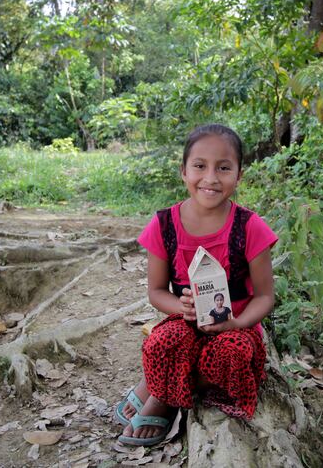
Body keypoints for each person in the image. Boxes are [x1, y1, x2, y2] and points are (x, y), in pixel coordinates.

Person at [115, 123, 277, 446]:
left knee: (233, 355)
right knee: (163, 342)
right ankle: (163, 390)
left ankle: (160, 391)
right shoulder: (164, 225)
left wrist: (238, 321)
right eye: (200, 166)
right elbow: (157, 291)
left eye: (224, 168)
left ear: (239, 175)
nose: (211, 178)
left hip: (235, 330)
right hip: (188, 325)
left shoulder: (250, 227)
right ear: (184, 171)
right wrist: (181, 306)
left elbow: (265, 296)